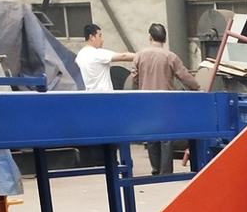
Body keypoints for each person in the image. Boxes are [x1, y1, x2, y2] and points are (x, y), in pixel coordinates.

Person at [131, 23, 201, 175]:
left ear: (150, 37)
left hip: (146, 101)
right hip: (166, 102)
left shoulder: (139, 56)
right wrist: (197, 88)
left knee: (151, 135)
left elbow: (134, 78)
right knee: (166, 137)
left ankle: (155, 169)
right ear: (164, 38)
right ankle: (166, 172)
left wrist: (137, 93)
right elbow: (184, 75)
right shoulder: (170, 56)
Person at [75, 24, 135, 92]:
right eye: (100, 36)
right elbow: (123, 56)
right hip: (104, 94)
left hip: (90, 94)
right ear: (91, 37)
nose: (102, 40)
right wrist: (141, 56)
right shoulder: (97, 53)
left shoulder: (80, 56)